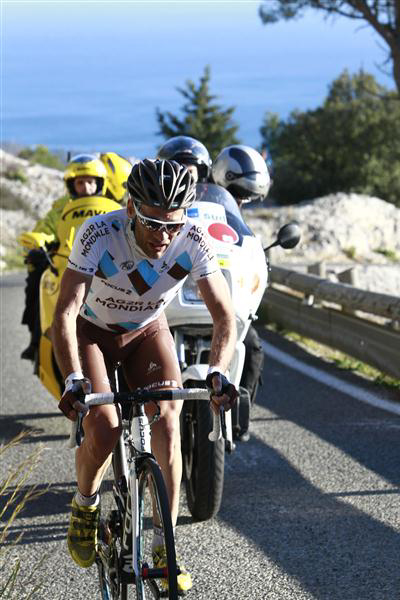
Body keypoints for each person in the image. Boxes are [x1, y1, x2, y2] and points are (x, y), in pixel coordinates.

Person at [53, 158, 238, 594]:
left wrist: (217, 371)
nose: (164, 236)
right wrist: (73, 379)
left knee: (169, 422)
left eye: (173, 226)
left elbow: (224, 316)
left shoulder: (192, 238)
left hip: (146, 332)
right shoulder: (99, 232)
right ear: (132, 208)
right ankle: (85, 504)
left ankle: (163, 543)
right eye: (154, 224)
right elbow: (64, 312)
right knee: (103, 426)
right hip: (92, 332)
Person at [20, 154, 108, 360]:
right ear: (71, 185)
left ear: (99, 183)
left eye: (90, 182)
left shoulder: (110, 206)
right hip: (65, 261)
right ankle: (36, 340)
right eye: (80, 182)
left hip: (103, 264)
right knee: (36, 279)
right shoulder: (59, 208)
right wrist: (41, 241)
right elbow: (45, 229)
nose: (86, 187)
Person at [212, 145, 271, 436]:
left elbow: (242, 244)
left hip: (228, 295)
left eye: (248, 196)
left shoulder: (236, 215)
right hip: (195, 291)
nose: (242, 200)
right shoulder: (200, 199)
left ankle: (238, 419)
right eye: (239, 193)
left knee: (253, 347)